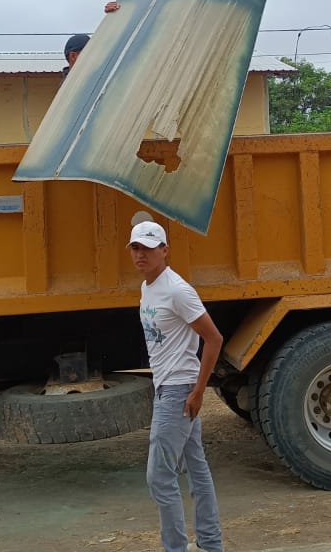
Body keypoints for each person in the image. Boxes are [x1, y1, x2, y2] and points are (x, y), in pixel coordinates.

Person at [128, 219, 224, 552]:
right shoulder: (148, 288)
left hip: (178, 391)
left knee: (159, 476)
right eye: (135, 248)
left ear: (164, 250)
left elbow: (213, 338)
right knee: (196, 468)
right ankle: (211, 544)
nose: (140, 254)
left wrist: (198, 391)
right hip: (167, 387)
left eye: (148, 248)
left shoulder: (177, 290)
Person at [61, 1, 122, 75]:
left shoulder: (97, 77)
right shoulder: (73, 82)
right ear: (73, 56)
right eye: (89, 52)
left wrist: (116, 14)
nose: (94, 57)